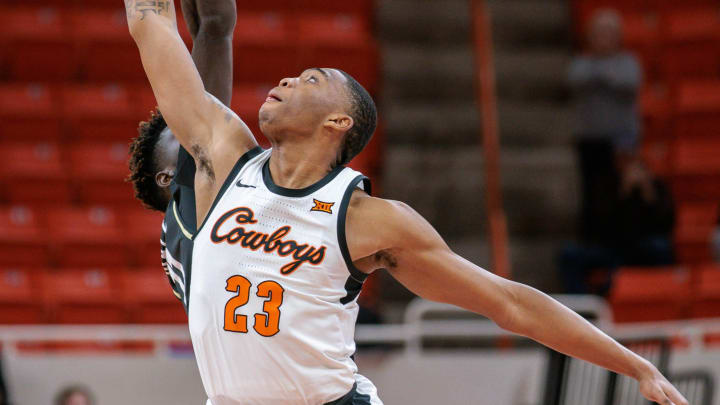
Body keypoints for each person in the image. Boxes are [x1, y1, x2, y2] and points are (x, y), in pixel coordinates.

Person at [123, 1, 688, 404]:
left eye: (310, 79)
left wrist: (633, 365)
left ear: (337, 122)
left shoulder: (366, 218)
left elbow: (508, 303)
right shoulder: (222, 158)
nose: (288, 79)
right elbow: (151, 29)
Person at [127, 0, 237, 309]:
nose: (192, 125)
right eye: (179, 132)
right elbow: (152, 26)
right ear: (169, 176)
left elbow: (214, 28)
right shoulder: (191, 206)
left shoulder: (199, 207)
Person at [568, 9, 643, 241]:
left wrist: (600, 75)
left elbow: (628, 82)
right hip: (590, 141)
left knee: (624, 191)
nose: (604, 38)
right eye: (599, 33)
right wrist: (605, 74)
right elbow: (574, 79)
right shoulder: (582, 62)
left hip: (622, 141)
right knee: (591, 194)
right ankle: (592, 243)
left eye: (609, 33)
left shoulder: (628, 62)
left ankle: (624, 242)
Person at [559, 160, 675, 294]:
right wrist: (623, 193)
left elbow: (666, 226)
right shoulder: (609, 186)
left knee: (660, 247)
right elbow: (600, 225)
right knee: (569, 253)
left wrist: (648, 196)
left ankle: (664, 291)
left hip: (643, 248)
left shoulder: (657, 189)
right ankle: (581, 305)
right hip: (613, 246)